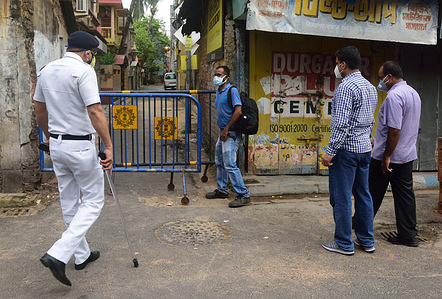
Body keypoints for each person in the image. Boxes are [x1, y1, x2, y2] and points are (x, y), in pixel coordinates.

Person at [33, 31, 113, 286]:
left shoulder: (46, 70)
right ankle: (59, 253)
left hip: (57, 144)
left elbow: (39, 108)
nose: (92, 58)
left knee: (69, 201)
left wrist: (49, 135)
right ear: (87, 53)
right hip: (79, 146)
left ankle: (82, 255)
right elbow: (95, 110)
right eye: (93, 54)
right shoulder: (83, 71)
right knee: (93, 200)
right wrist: (109, 146)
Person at [321, 46, 378, 255]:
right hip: (364, 150)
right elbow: (371, 120)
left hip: (346, 151)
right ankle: (367, 240)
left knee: (341, 197)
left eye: (337, 63)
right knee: (364, 195)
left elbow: (341, 124)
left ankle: (344, 243)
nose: (336, 67)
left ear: (343, 64)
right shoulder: (370, 87)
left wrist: (330, 151)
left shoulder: (346, 87)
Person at [370, 61, 421, 247]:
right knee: (405, 196)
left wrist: (386, 156)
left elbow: (395, 130)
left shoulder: (394, 96)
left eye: (380, 77)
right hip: (407, 154)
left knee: (372, 192)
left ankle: (361, 224)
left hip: (389, 156)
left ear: (389, 77)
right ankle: (408, 235)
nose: (380, 81)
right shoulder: (413, 93)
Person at [205, 66, 251, 208]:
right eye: (215, 74)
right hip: (223, 132)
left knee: (230, 164)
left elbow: (238, 111)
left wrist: (226, 129)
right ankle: (222, 190)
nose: (216, 77)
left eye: (219, 74)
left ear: (226, 77)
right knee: (219, 162)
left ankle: (243, 194)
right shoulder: (219, 91)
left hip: (230, 133)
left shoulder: (232, 91)